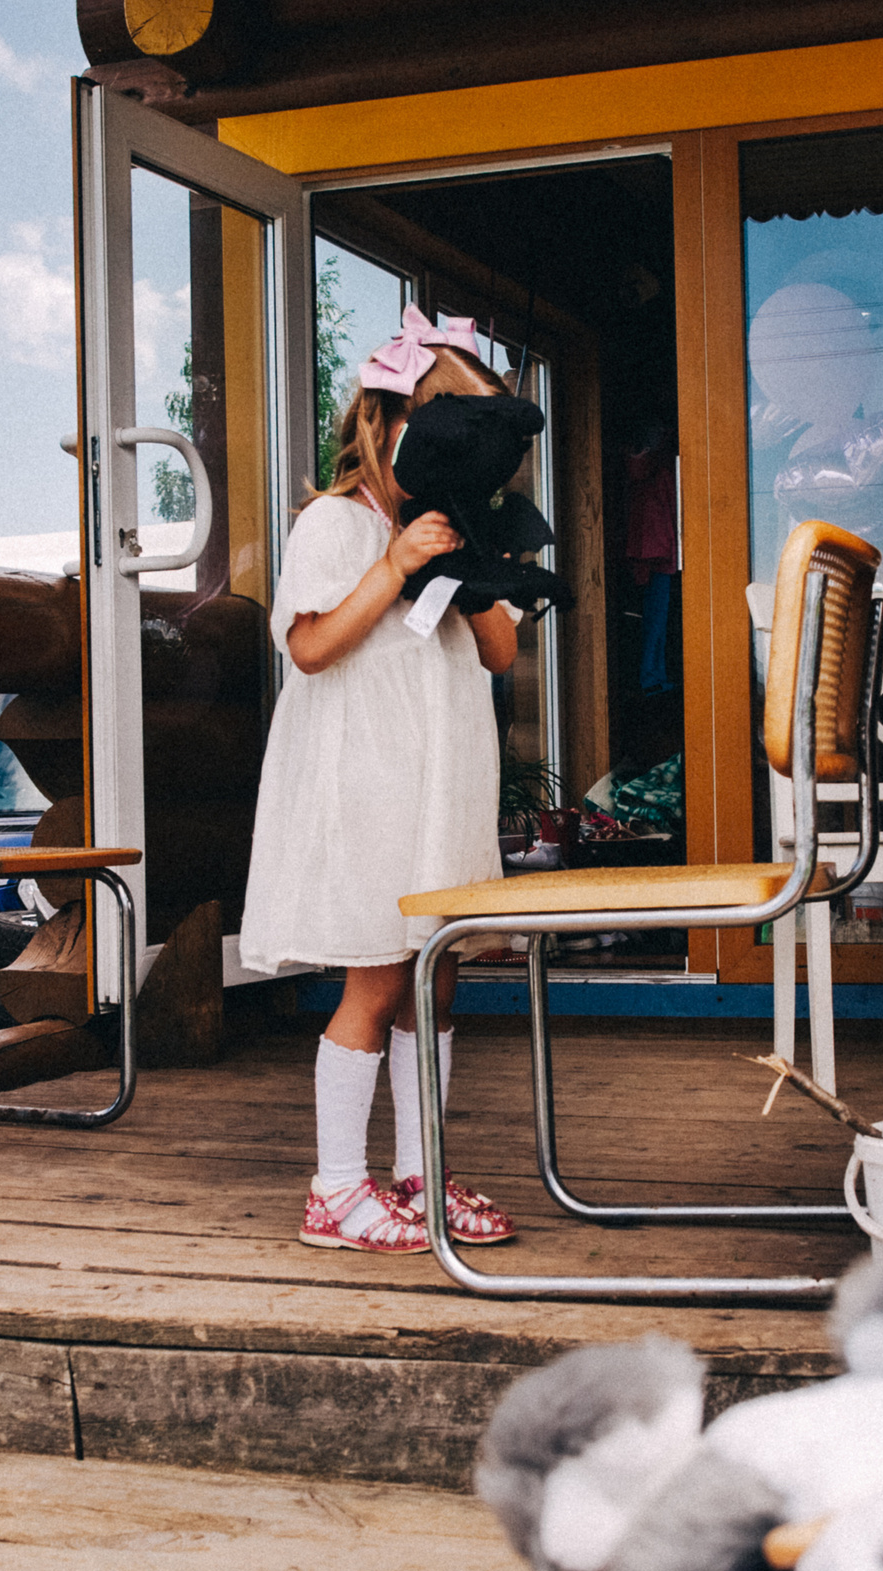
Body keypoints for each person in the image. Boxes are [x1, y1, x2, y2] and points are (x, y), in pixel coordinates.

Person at [241, 305, 523, 1255]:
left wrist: (474, 566)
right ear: (389, 422)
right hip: (365, 781)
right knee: (376, 972)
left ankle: (420, 1171)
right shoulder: (333, 523)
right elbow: (313, 647)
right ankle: (334, 1186)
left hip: (439, 785)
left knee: (434, 983)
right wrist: (396, 563)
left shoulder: (454, 527)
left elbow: (498, 653)